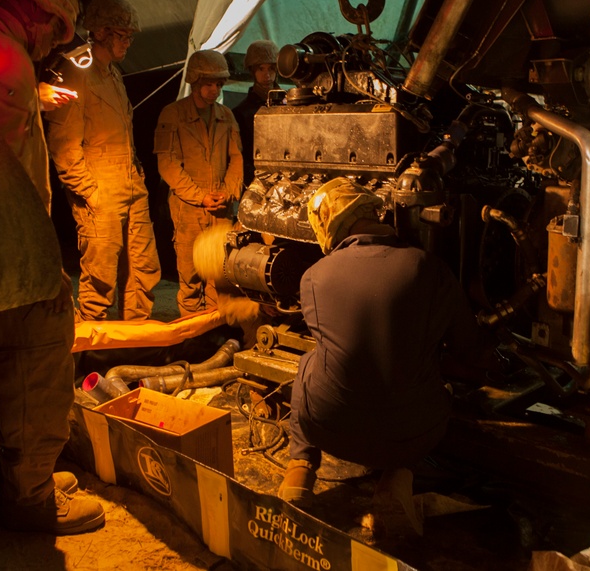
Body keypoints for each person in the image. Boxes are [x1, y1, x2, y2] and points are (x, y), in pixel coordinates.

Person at [0, 0, 105, 535]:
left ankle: (10, 476)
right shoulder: (2, 58)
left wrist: (32, 94)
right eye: (56, 29)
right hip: (6, 243)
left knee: (5, 364)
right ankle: (30, 494)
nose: (53, 43)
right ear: (34, 12)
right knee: (37, 360)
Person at [277, 177, 490, 531]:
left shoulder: (314, 276)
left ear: (330, 224)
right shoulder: (430, 268)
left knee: (309, 362)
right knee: (423, 378)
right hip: (415, 435)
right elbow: (470, 350)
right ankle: (396, 479)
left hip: (329, 429)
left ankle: (299, 470)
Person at [47, 0, 161, 322]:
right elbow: (64, 143)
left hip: (128, 178)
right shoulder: (75, 70)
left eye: (129, 37)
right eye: (122, 36)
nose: (128, 43)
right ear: (100, 32)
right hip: (99, 183)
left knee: (143, 267)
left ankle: (136, 340)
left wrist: (135, 174)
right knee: (100, 274)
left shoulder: (113, 74)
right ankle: (90, 351)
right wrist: (90, 192)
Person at [154, 50, 243, 316]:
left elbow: (236, 158)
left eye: (218, 84)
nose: (214, 89)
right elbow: (167, 163)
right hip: (188, 210)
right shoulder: (172, 114)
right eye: (208, 83)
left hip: (221, 208)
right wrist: (198, 196)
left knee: (221, 275)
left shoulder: (226, 116)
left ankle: (215, 333)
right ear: (195, 81)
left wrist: (228, 192)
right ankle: (192, 337)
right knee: (190, 276)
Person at [232, 39, 279, 185]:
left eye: (271, 69)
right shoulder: (242, 113)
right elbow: (241, 157)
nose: (267, 75)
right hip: (257, 182)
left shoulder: (289, 103)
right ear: (252, 71)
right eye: (261, 69)